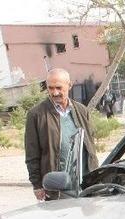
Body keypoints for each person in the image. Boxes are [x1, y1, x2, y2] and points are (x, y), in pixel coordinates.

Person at [24, 68, 98, 200]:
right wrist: (37, 185)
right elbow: (32, 154)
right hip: (57, 187)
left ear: (69, 85)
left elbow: (91, 147)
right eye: (50, 88)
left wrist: (97, 177)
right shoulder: (36, 115)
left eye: (58, 87)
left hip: (86, 183)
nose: (55, 92)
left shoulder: (82, 111)